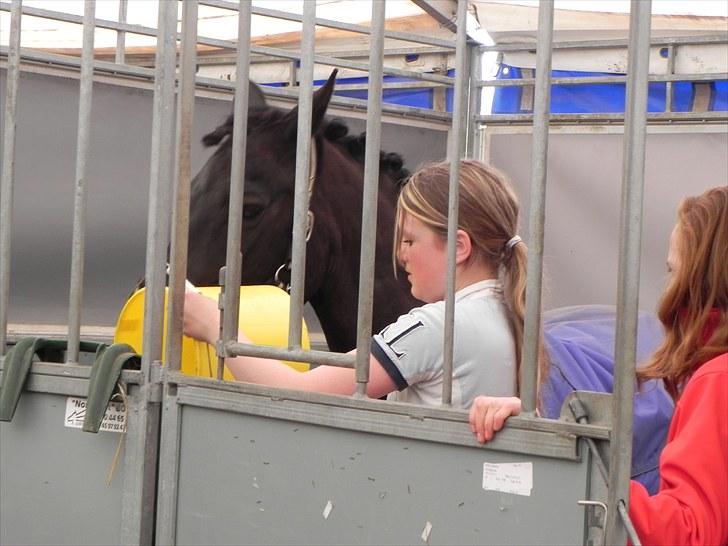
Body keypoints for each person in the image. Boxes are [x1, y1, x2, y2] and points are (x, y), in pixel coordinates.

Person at [468, 185, 728, 545]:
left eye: (673, 272)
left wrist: (568, 459)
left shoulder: (717, 379)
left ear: (701, 282)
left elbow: (691, 532)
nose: (668, 289)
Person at [183, 159, 546, 408]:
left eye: (409, 241)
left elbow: (301, 393)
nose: (401, 255)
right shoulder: (506, 311)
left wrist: (216, 326)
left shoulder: (437, 327)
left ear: (459, 247)